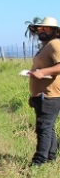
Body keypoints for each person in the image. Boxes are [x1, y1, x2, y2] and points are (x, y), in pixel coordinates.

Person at [26, 17, 60, 166]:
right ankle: (50, 157)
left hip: (50, 95)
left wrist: (44, 71)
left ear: (54, 31)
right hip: (42, 95)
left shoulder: (55, 44)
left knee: (43, 128)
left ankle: (38, 161)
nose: (42, 31)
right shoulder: (45, 46)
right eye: (40, 28)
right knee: (48, 127)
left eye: (46, 28)